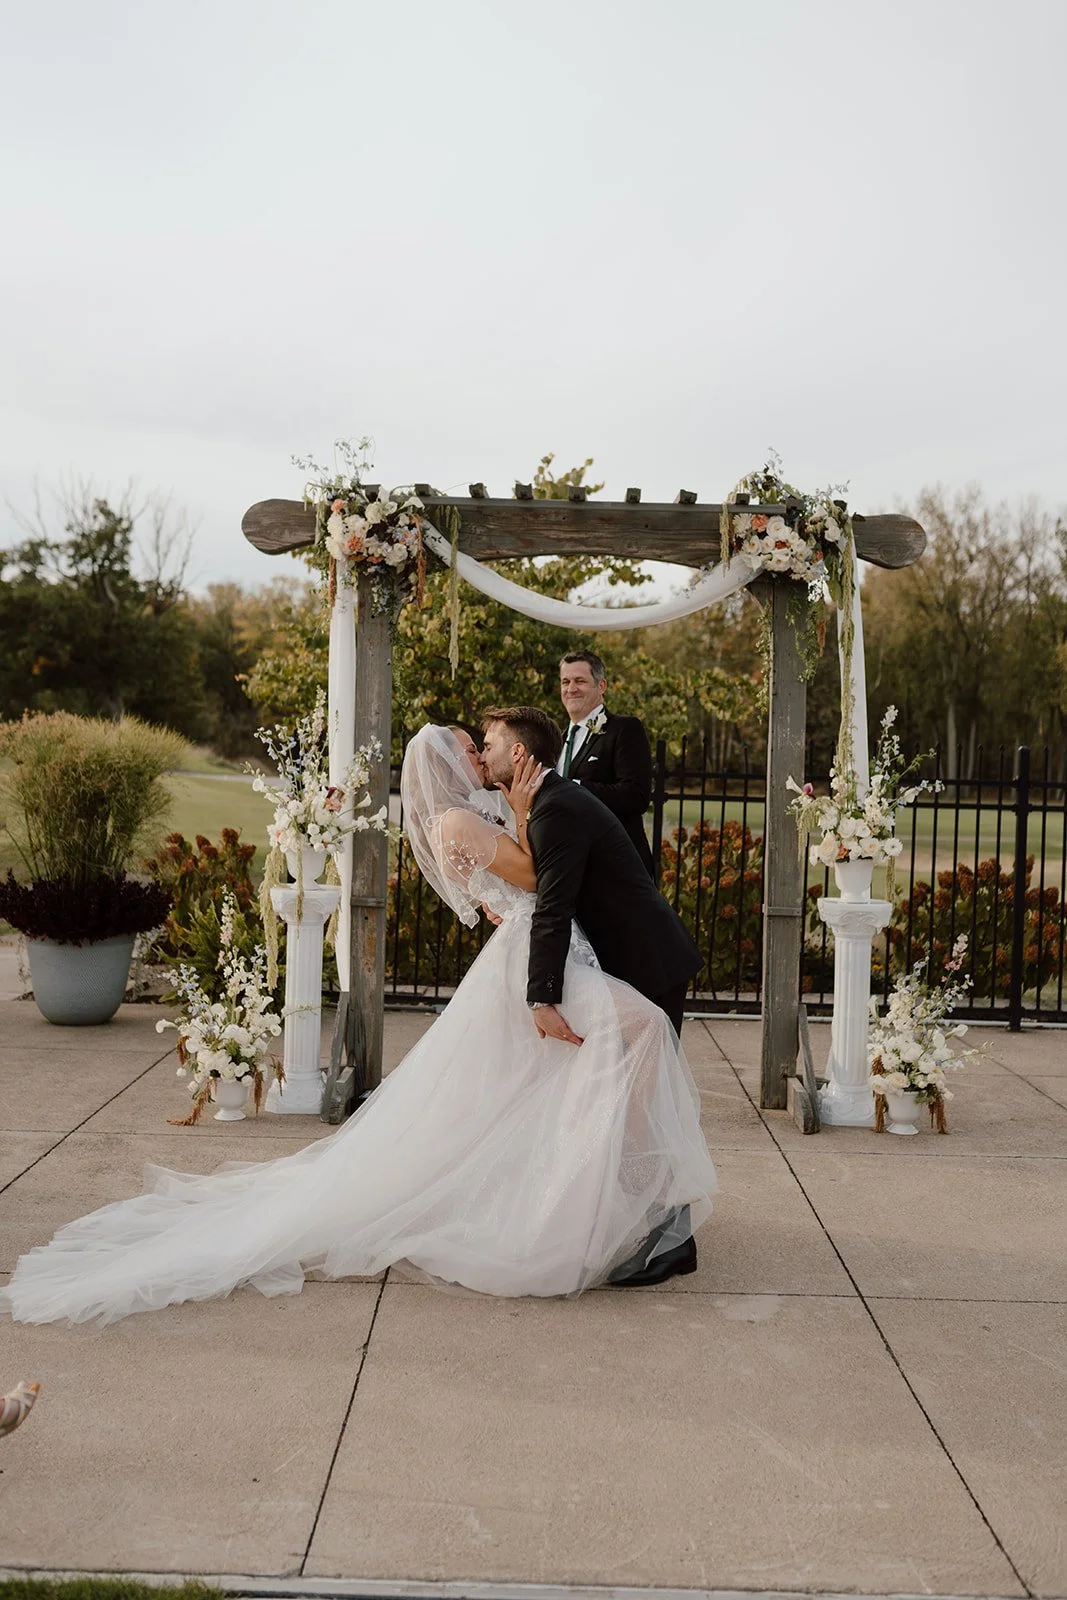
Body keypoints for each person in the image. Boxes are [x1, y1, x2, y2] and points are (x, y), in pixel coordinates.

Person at [0, 725, 715, 1325]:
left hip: (541, 949)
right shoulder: (459, 819)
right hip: (532, 952)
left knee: (542, 1078)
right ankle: (632, 1198)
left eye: (484, 744)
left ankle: (612, 1197)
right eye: (471, 747)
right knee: (631, 1035)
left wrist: (526, 813)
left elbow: (540, 871)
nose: (480, 753)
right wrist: (528, 816)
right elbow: (537, 882)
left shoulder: (493, 807)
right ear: (443, 764)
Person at [481, 706, 706, 1286]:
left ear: (521, 755)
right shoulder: (547, 805)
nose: (484, 751)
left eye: (492, 742)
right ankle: (647, 1223)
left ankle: (671, 1242)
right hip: (629, 961)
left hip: (648, 963)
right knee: (634, 1106)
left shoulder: (557, 810)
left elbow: (553, 908)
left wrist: (542, 999)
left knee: (646, 1108)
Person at [557, 650, 655, 876]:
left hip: (617, 869)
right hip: (571, 869)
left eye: (580, 681)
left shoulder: (624, 729)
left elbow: (636, 796)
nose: (571, 689)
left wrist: (575, 789)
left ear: (601, 686)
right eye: (565, 681)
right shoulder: (557, 741)